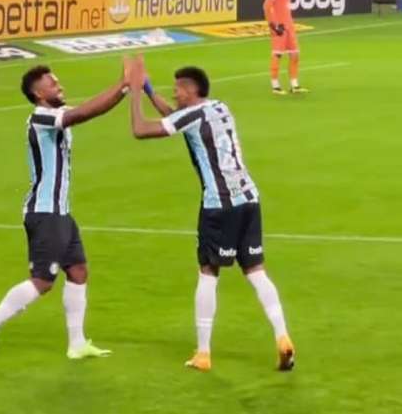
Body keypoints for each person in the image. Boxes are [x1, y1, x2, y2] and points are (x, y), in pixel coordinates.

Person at [123, 56, 295, 373]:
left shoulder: (190, 114)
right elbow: (178, 117)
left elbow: (140, 129)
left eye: (177, 89)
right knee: (256, 271)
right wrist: (148, 88)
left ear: (190, 90)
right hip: (249, 199)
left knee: (208, 271)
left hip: (220, 204)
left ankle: (203, 353)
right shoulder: (219, 107)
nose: (174, 94)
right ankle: (282, 337)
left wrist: (134, 91)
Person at [0, 65, 128, 368]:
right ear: (38, 94)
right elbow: (82, 114)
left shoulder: (56, 114)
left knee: (78, 271)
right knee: (42, 281)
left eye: (57, 80)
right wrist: (122, 85)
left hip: (60, 213)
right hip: (45, 213)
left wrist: (123, 87)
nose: (58, 85)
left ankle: (77, 343)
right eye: (51, 83)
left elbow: (86, 108)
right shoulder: (41, 117)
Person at [263, 0, 308, 95]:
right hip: (280, 27)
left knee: (295, 54)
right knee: (277, 54)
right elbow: (266, 6)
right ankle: (275, 86)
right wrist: (273, 25)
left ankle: (294, 85)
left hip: (289, 26)